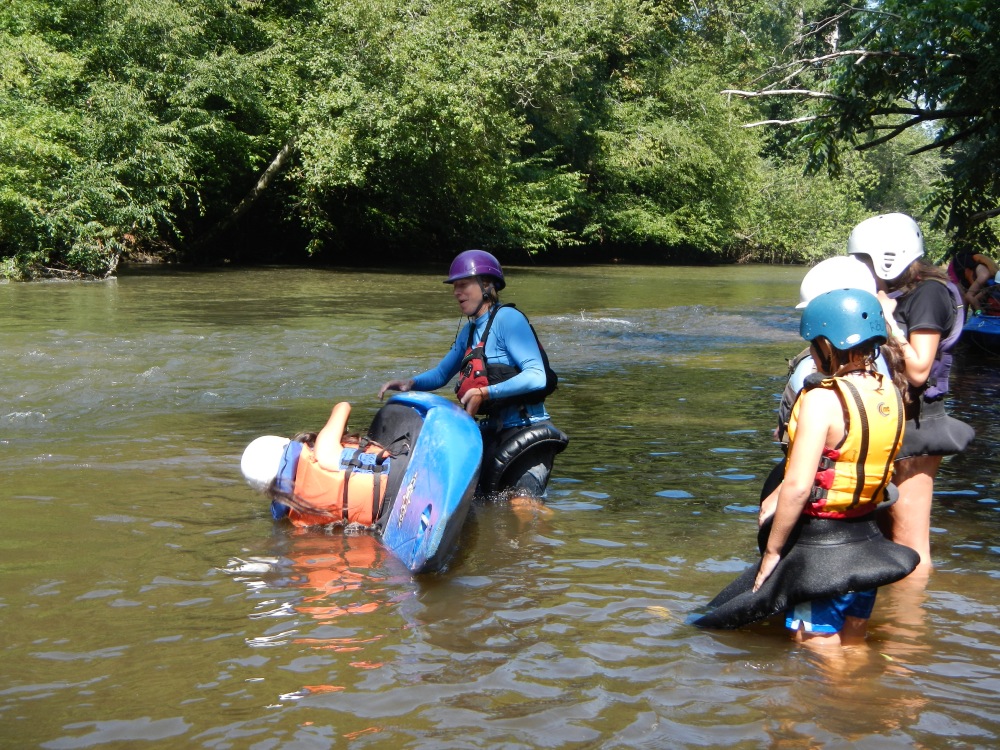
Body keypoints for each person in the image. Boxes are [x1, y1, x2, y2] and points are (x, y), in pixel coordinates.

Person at [693, 289, 919, 642]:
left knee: (816, 649)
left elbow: (799, 486)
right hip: (866, 541)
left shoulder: (822, 400)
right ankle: (870, 694)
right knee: (854, 642)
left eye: (813, 345)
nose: (811, 356)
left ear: (828, 346)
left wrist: (772, 554)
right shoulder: (889, 391)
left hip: (822, 553)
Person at [378, 250, 568, 498]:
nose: (457, 292)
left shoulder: (508, 319)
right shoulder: (469, 332)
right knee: (482, 505)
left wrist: (485, 392)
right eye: (454, 286)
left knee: (522, 507)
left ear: (487, 285)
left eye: (463, 284)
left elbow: (536, 375)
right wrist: (410, 383)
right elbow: (441, 374)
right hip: (493, 433)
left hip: (526, 430)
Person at [847, 213, 975, 573]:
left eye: (864, 261)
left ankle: (910, 626)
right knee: (880, 535)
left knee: (908, 541)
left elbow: (919, 370)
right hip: (888, 417)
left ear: (888, 258)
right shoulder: (896, 291)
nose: (861, 268)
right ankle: (886, 622)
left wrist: (886, 317)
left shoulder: (929, 294)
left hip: (918, 424)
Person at [948, 249, 1000, 316]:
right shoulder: (984, 275)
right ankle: (961, 323)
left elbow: (977, 297)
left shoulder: (993, 283)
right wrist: (979, 312)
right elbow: (968, 296)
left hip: (973, 275)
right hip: (955, 270)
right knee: (963, 300)